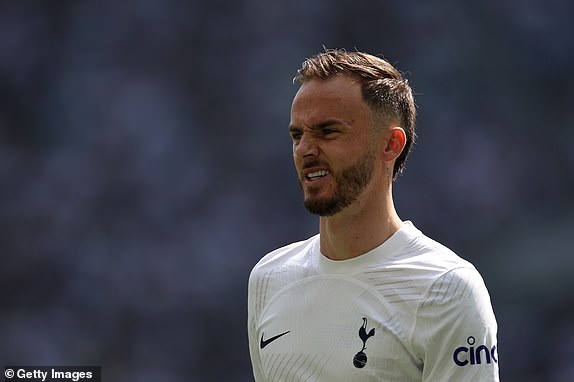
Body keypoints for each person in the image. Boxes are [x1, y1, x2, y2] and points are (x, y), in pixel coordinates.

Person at [247, 49, 499, 381]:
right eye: (297, 135)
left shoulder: (446, 287)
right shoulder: (268, 278)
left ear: (391, 144)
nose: (305, 149)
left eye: (327, 131)